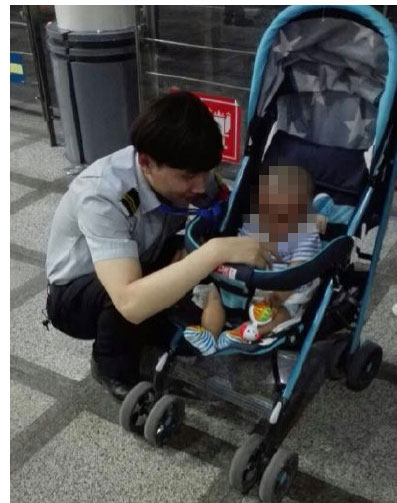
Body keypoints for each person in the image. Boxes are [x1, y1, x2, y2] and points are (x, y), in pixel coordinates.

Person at [45, 91, 274, 400]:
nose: (199, 185)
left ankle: (156, 327)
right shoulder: (103, 194)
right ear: (145, 162)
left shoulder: (189, 171)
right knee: (134, 300)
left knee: (192, 255)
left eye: (205, 172)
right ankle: (110, 367)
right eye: (188, 176)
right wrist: (215, 252)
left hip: (142, 256)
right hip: (77, 296)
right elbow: (128, 299)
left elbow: (228, 206)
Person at [183, 165, 322, 355]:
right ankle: (210, 337)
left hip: (277, 291)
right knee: (213, 296)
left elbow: (298, 271)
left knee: (282, 314)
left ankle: (245, 333)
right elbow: (237, 247)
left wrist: (275, 299)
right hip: (241, 281)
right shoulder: (254, 223)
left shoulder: (305, 233)